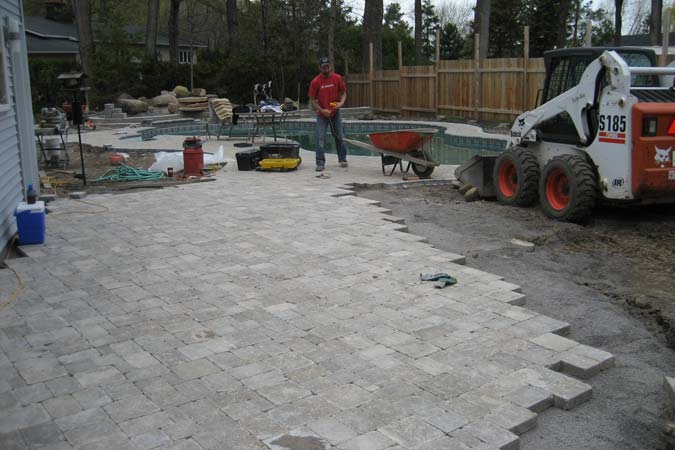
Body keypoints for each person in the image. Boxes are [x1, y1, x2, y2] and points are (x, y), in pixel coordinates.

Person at [308, 57, 348, 171]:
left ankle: (342, 159)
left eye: (327, 66)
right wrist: (322, 110)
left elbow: (344, 93)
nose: (326, 68)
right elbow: (312, 100)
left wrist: (340, 103)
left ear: (330, 66)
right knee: (320, 138)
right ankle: (320, 162)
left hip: (335, 112)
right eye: (323, 67)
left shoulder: (337, 78)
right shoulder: (315, 82)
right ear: (320, 68)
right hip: (322, 114)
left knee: (340, 136)